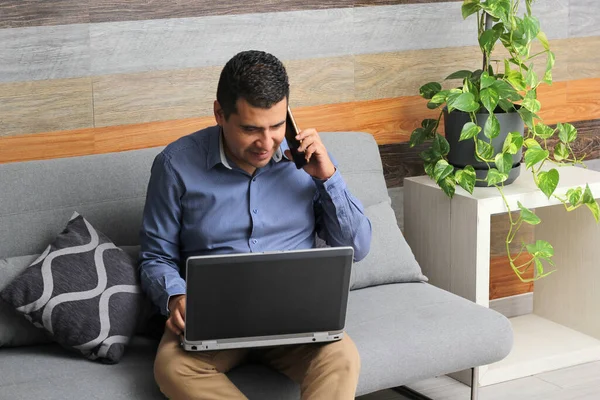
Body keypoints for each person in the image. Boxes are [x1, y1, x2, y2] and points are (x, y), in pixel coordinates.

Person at [139, 50, 372, 400]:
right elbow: (156, 257)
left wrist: (328, 178)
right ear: (220, 113)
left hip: (295, 317)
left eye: (276, 126)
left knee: (341, 356)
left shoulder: (310, 160)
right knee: (173, 368)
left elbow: (358, 248)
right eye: (250, 129)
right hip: (213, 319)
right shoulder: (175, 166)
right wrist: (176, 296)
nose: (266, 143)